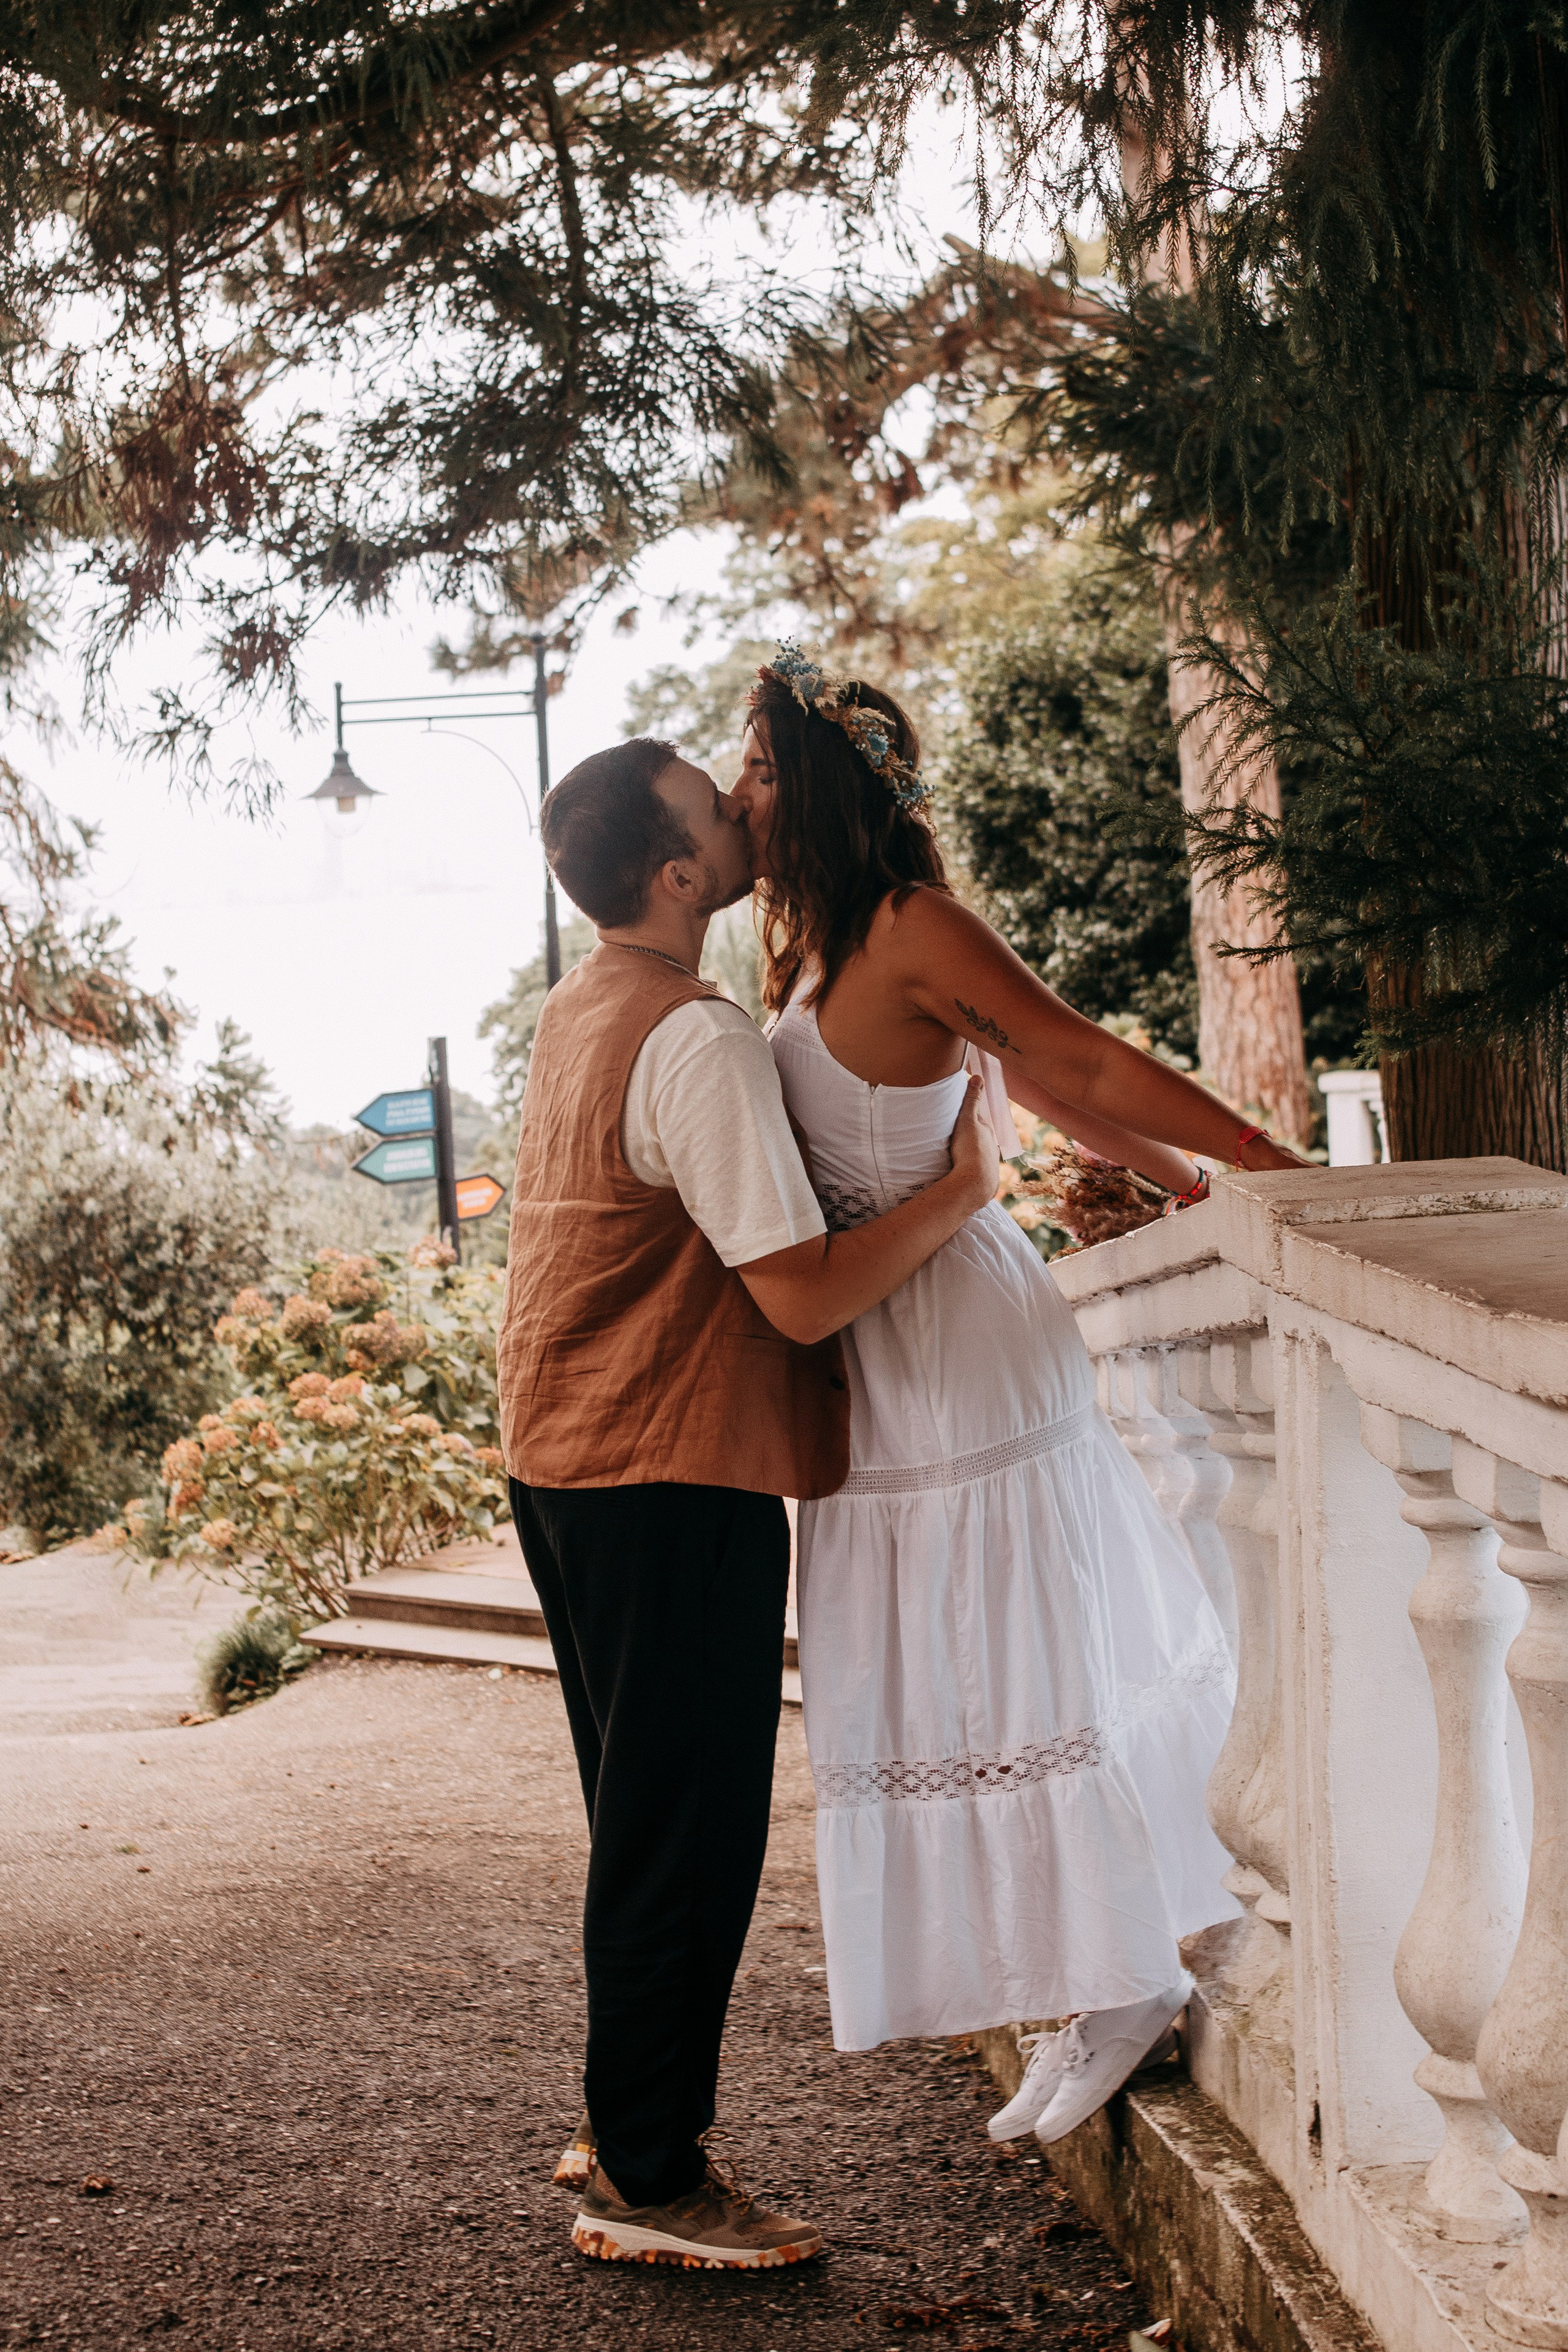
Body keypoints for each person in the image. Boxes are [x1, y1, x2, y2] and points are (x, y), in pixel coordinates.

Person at [728, 647, 1311, 2147]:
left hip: (964, 1343)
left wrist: (1248, 1167)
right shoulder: (813, 951)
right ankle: (1078, 1968)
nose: (740, 795)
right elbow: (1033, 1087)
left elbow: (1068, 1063)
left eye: (763, 768)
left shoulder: (913, 924)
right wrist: (1178, 1181)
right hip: (878, 1358)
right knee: (953, 1671)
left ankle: (1120, 1976)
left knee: (1024, 1655)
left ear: (825, 788)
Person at [496, 734, 1000, 2269]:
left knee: (640, 1817)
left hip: (564, 1459)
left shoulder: (579, 1005)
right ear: (676, 875)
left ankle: (621, 2124)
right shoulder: (694, 1036)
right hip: (664, 1467)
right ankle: (649, 2181)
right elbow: (799, 1295)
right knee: (688, 1834)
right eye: (717, 811)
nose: (742, 806)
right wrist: (960, 1192)